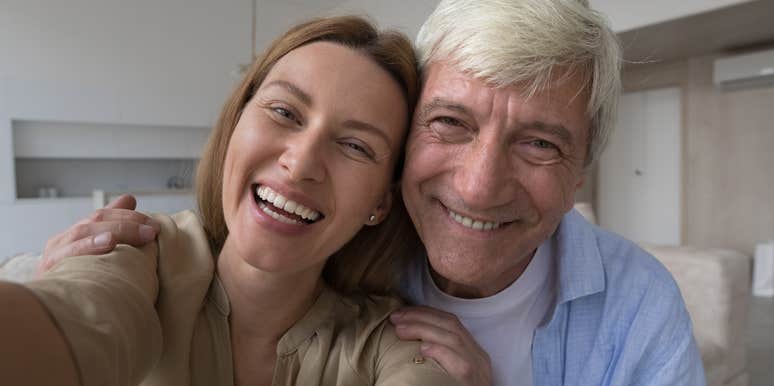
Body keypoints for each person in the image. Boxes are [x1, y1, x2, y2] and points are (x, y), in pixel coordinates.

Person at [32, 1, 707, 385]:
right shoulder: (156, 259)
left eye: (540, 143)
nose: (478, 185)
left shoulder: (637, 307)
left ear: (582, 169)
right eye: (450, 123)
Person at [0, 16, 460, 386]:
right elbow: (78, 317)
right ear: (236, 123)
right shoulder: (136, 257)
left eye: (356, 146)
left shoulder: (394, 343)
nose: (300, 164)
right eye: (284, 112)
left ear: (381, 200)